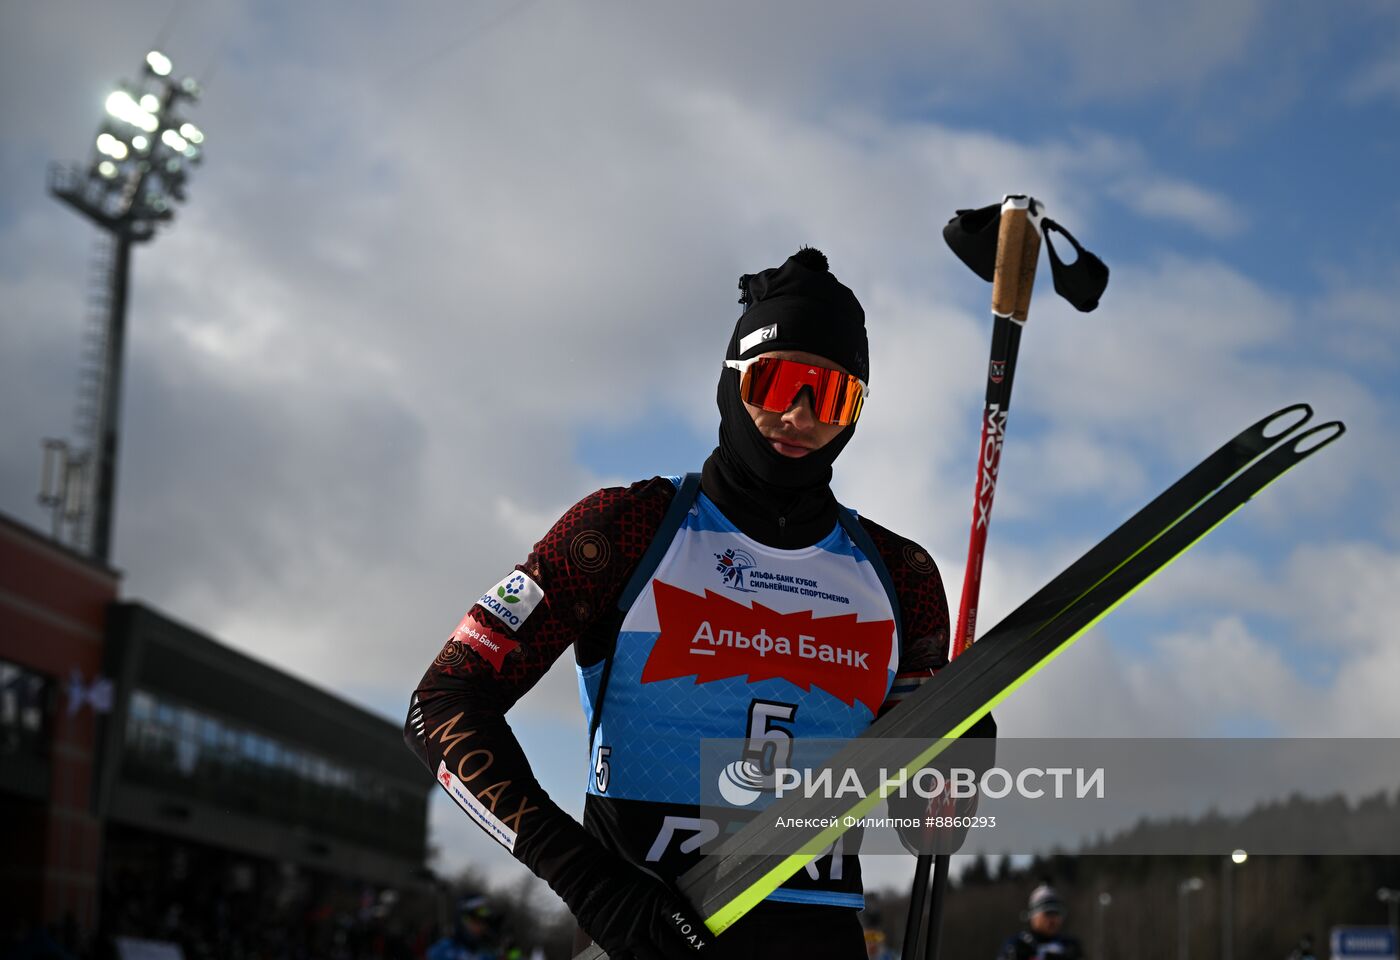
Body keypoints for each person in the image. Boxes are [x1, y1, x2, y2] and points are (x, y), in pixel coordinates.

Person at [406, 247, 994, 959]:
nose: (799, 415)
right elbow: (439, 706)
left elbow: (922, 821)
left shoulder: (900, 575)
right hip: (649, 938)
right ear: (731, 378)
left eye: (832, 396)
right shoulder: (628, 530)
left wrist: (961, 751)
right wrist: (596, 889)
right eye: (776, 383)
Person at [996, 884, 1084, 960]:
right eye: (1048, 913)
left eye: (1057, 913)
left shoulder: (1069, 946)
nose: (1053, 919)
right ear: (1033, 915)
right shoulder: (1018, 946)